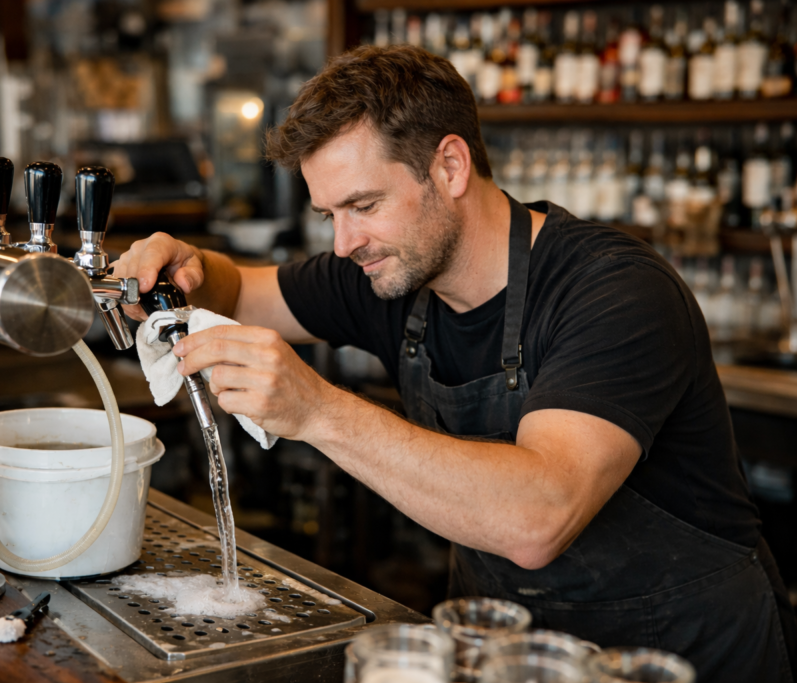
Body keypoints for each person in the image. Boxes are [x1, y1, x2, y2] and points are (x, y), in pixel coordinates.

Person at [113, 45, 795, 680]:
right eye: (329, 214)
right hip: (503, 651)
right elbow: (243, 290)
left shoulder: (615, 290)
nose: (345, 241)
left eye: (363, 205)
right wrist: (189, 265)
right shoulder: (387, 271)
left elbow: (539, 515)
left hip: (683, 658)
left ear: (450, 166)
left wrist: (315, 410)